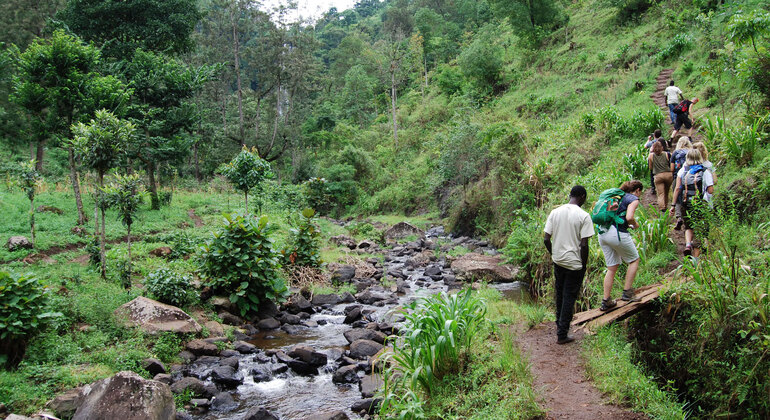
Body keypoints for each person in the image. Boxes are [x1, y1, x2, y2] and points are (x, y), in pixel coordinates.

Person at [544, 185, 594, 344]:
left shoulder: (555, 212)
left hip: (558, 261)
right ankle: (562, 334)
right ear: (583, 197)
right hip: (574, 264)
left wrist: (554, 254)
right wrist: (583, 265)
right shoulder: (584, 216)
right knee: (569, 296)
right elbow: (584, 245)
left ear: (570, 195)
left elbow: (546, 239)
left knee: (559, 293)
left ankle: (559, 323)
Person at [598, 180, 643, 311]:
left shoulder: (617, 196)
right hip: (616, 233)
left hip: (603, 233)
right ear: (638, 190)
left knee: (612, 267)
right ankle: (627, 292)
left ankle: (606, 301)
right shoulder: (633, 199)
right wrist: (634, 224)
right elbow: (629, 217)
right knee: (634, 260)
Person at [670, 149, 714, 256]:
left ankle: (688, 244)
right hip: (701, 204)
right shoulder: (705, 171)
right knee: (699, 227)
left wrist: (673, 205)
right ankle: (696, 258)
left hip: (686, 203)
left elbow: (677, 189)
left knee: (688, 226)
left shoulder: (683, 171)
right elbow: (710, 190)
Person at [670, 136, 692, 230]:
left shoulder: (675, 153)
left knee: (677, 196)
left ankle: (679, 217)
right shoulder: (691, 152)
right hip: (690, 178)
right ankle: (689, 217)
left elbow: (671, 168)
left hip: (678, 177)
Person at [649, 141, 673, 210]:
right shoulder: (667, 154)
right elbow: (671, 165)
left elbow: (650, 167)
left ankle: (662, 208)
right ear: (662, 147)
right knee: (666, 191)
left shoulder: (651, 156)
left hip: (658, 176)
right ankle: (666, 205)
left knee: (660, 193)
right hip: (668, 175)